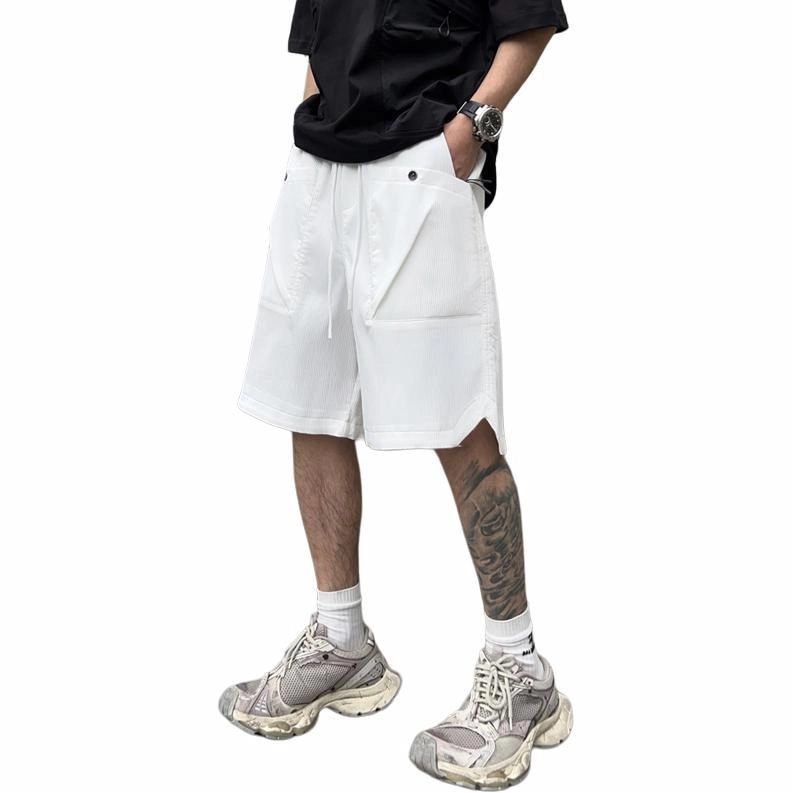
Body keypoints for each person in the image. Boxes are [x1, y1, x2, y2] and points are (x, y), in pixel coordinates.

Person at [219, 0, 572, 787]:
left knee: (456, 414)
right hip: (318, 171)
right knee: (308, 404)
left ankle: (518, 668)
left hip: (419, 166)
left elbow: (529, 20)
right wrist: (313, 125)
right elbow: (318, 37)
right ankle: (340, 639)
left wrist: (471, 128)